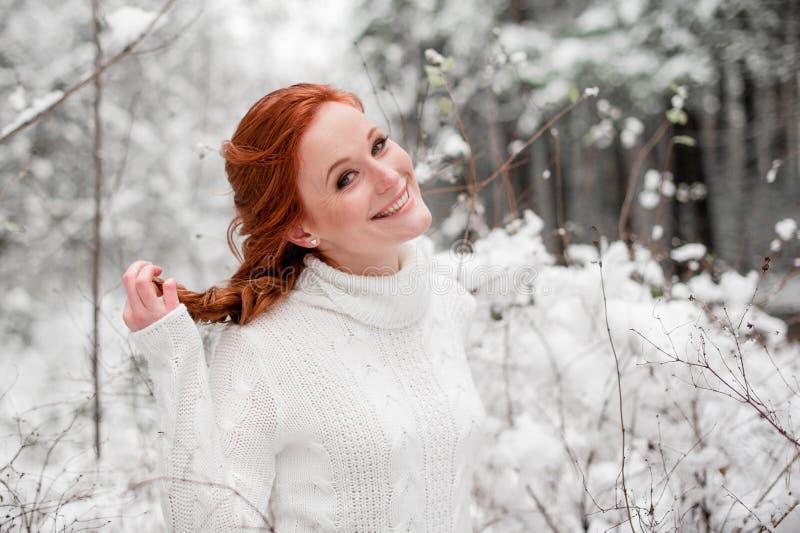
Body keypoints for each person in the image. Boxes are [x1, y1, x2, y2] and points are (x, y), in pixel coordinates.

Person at [122, 83, 487, 532]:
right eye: (346, 178)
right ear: (301, 228)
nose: (389, 176)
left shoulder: (446, 301)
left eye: (378, 145)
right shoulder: (263, 349)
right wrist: (173, 359)